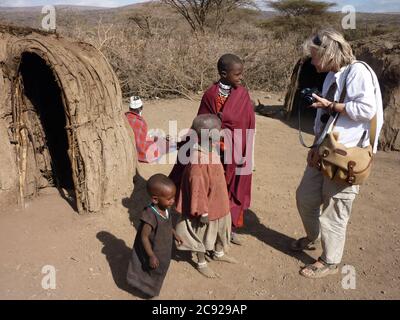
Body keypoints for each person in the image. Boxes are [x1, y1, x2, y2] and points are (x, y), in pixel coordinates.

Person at [292, 28, 384, 278]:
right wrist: (315, 144)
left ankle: (330, 261)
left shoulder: (358, 72)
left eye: (314, 56)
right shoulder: (332, 76)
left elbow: (366, 109)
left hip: (347, 155)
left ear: (328, 53)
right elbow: (328, 118)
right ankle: (314, 237)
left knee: (335, 208)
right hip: (325, 149)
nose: (312, 61)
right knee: (305, 197)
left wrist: (330, 104)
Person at [170, 54, 255, 245]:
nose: (241, 77)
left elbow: (247, 123)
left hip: (235, 150)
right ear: (224, 74)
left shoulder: (243, 94)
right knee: (210, 188)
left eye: (241, 73)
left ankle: (229, 227)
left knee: (231, 189)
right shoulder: (210, 95)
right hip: (212, 151)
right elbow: (201, 122)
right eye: (237, 74)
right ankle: (205, 228)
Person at [175, 114, 237, 278]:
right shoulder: (197, 161)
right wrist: (202, 212)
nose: (221, 132)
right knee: (201, 236)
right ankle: (201, 262)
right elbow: (198, 189)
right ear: (209, 136)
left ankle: (218, 253)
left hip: (219, 203)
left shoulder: (211, 148)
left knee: (220, 231)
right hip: (206, 209)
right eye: (218, 131)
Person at [126, 174, 182, 298]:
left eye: (173, 197)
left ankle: (152, 288)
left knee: (160, 270)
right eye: (169, 198)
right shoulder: (150, 215)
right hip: (153, 250)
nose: (172, 201)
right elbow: (144, 237)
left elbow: (167, 224)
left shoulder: (166, 209)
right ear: (155, 199)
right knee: (150, 271)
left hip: (163, 250)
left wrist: (174, 234)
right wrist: (151, 255)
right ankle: (146, 290)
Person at [125, 96, 171, 163]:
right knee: (163, 145)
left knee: (156, 139)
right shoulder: (140, 122)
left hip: (128, 147)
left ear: (129, 108)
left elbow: (138, 137)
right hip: (139, 151)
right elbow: (141, 144)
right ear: (141, 108)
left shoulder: (124, 117)